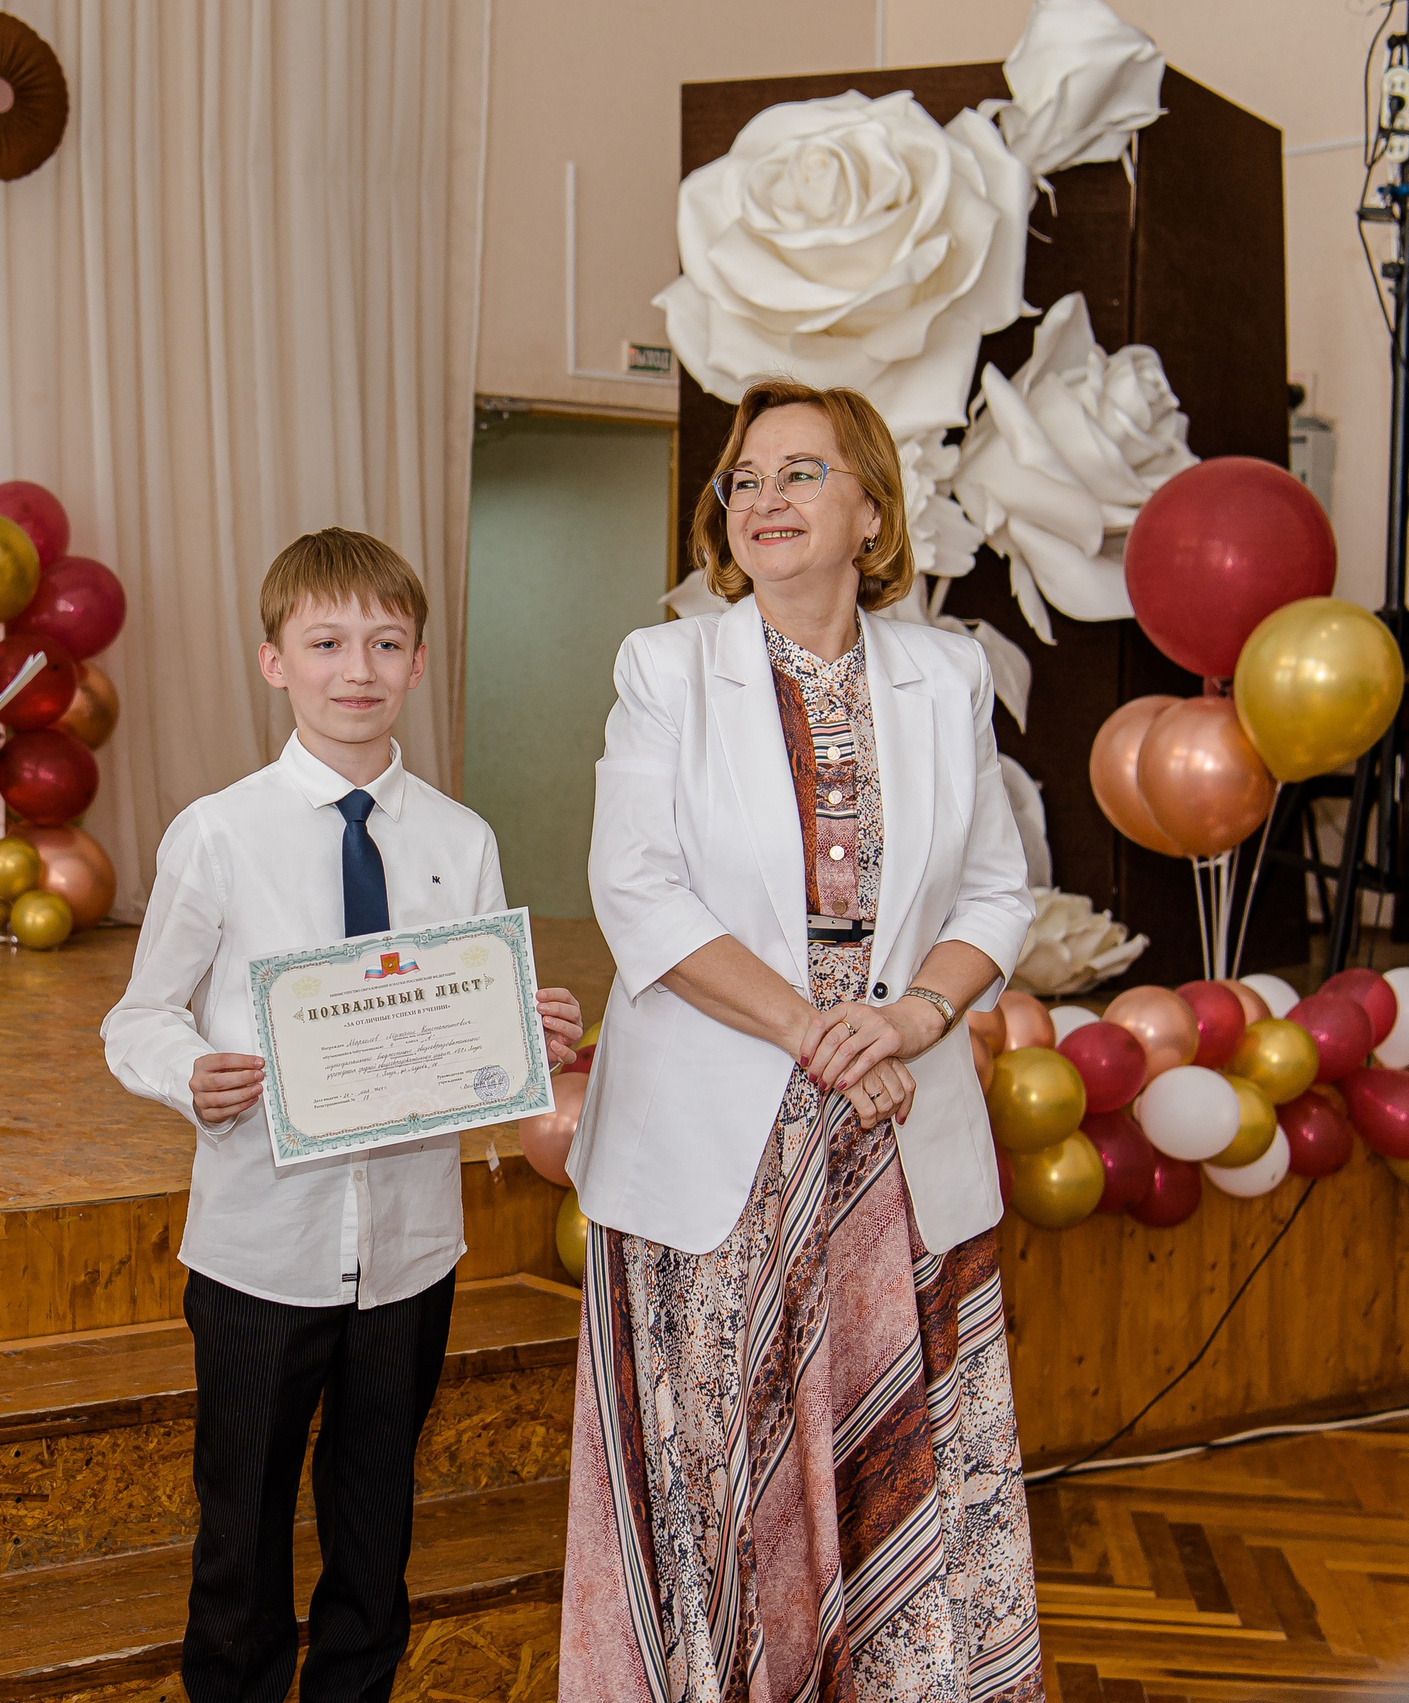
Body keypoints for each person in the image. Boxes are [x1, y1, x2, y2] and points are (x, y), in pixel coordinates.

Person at [558, 379, 1042, 1702]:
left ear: (873, 513)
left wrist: (912, 1015)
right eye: (747, 477)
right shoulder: (666, 666)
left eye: (802, 472)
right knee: (716, 1464)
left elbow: (999, 887)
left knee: (904, 1454)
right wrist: (818, 1030)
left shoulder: (949, 673)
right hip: (719, 1128)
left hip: (894, 1130)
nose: (765, 498)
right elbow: (637, 887)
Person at [102, 529, 584, 1703]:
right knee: (242, 1538)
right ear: (275, 661)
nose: (354, 667)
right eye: (325, 642)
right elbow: (136, 1015)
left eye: (383, 641)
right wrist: (191, 1069)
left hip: (411, 1252)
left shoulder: (459, 839)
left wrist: (529, 1032)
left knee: (376, 1538)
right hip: (262, 1246)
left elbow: (463, 1028)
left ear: (418, 662)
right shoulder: (219, 830)